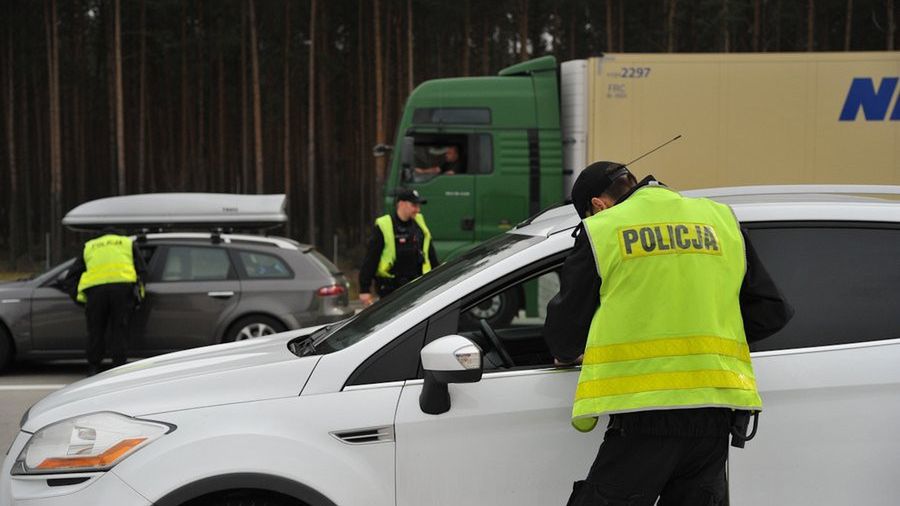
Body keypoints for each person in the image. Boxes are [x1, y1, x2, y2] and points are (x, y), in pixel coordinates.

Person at [543, 161, 794, 505]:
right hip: (715, 412)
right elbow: (771, 310)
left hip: (644, 412)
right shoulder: (719, 219)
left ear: (598, 205)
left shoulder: (604, 229)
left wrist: (571, 353)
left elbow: (565, 334)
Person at [66, 227, 147, 376]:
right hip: (122, 290)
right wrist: (139, 295)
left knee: (96, 330)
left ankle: (93, 368)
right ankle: (119, 368)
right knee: (119, 329)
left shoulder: (90, 246)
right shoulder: (126, 243)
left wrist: (80, 298)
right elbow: (142, 270)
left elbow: (71, 277)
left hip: (96, 293)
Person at [359, 188, 440, 306]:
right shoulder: (385, 225)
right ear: (401, 204)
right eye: (414, 205)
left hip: (416, 286)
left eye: (418, 206)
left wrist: (439, 278)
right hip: (390, 289)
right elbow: (371, 258)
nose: (418, 209)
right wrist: (364, 289)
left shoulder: (419, 223)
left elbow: (430, 254)